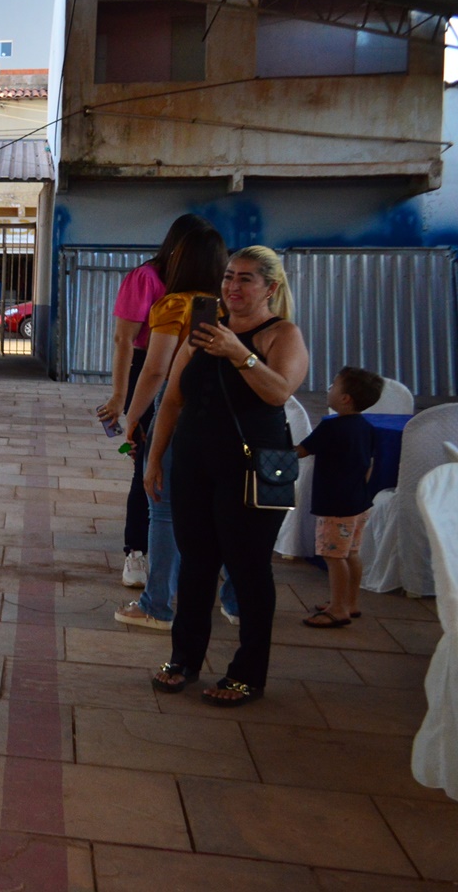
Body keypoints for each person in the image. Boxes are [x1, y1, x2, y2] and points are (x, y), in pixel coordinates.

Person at [144, 246, 308, 707]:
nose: (233, 287)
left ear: (270, 288)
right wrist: (155, 459)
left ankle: (248, 674)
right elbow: (172, 400)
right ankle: (184, 658)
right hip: (196, 465)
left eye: (246, 279)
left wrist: (241, 354)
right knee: (196, 565)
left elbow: (279, 393)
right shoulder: (202, 330)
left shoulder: (282, 335)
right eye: (229, 277)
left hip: (258, 468)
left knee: (249, 570)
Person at [115, 219, 240, 630]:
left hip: (182, 418)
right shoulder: (232, 310)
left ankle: (158, 605)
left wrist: (132, 418)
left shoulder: (173, 305)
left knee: (164, 509)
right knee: (222, 511)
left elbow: (155, 371)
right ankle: (234, 602)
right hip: (229, 421)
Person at [98, 215, 209, 588]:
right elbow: (126, 342)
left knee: (180, 466)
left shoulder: (201, 293)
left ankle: (176, 556)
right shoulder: (149, 279)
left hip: (193, 377)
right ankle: (137, 551)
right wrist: (121, 399)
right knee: (147, 463)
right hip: (151, 371)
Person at [298, 366, 383, 627]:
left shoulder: (330, 427)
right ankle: (351, 602)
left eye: (334, 385)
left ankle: (337, 609)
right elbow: (368, 466)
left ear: (345, 398)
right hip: (358, 502)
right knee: (351, 554)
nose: (330, 389)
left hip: (335, 505)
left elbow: (300, 451)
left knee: (333, 557)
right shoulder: (367, 427)